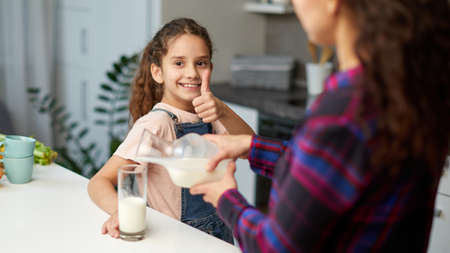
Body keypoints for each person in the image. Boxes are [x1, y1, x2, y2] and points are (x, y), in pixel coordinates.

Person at [190, 0, 450, 252]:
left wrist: (225, 198)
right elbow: (336, 173)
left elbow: (273, 246)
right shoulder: (410, 93)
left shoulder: (343, 112)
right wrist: (251, 146)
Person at [87, 18, 254, 243]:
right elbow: (99, 181)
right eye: (179, 63)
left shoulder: (213, 115)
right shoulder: (157, 124)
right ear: (157, 72)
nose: (192, 73)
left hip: (219, 236)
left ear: (210, 69)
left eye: (201, 63)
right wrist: (120, 212)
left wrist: (222, 110)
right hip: (175, 240)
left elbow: (250, 148)